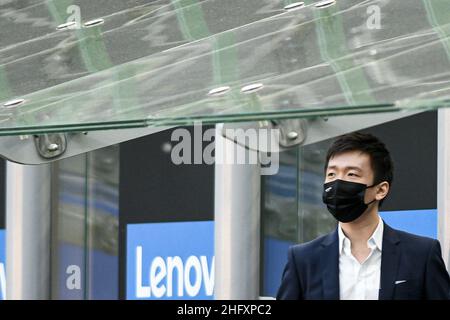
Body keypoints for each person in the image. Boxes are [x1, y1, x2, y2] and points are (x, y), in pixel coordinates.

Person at [277, 132, 450, 300]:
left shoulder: (421, 254)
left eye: (351, 174)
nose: (337, 183)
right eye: (331, 174)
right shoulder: (303, 258)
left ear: (380, 190)